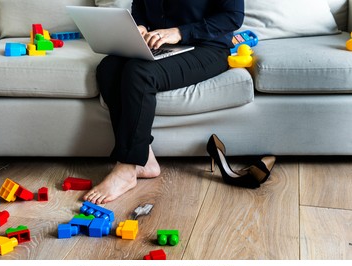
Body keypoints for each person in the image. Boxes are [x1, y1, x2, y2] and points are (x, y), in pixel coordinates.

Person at [83, 0, 245, 204]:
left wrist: (179, 32)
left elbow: (232, 17)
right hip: (162, 45)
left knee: (139, 73)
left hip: (208, 48)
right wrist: (139, 27)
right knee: (108, 69)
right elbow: (141, 7)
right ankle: (146, 160)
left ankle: (127, 167)